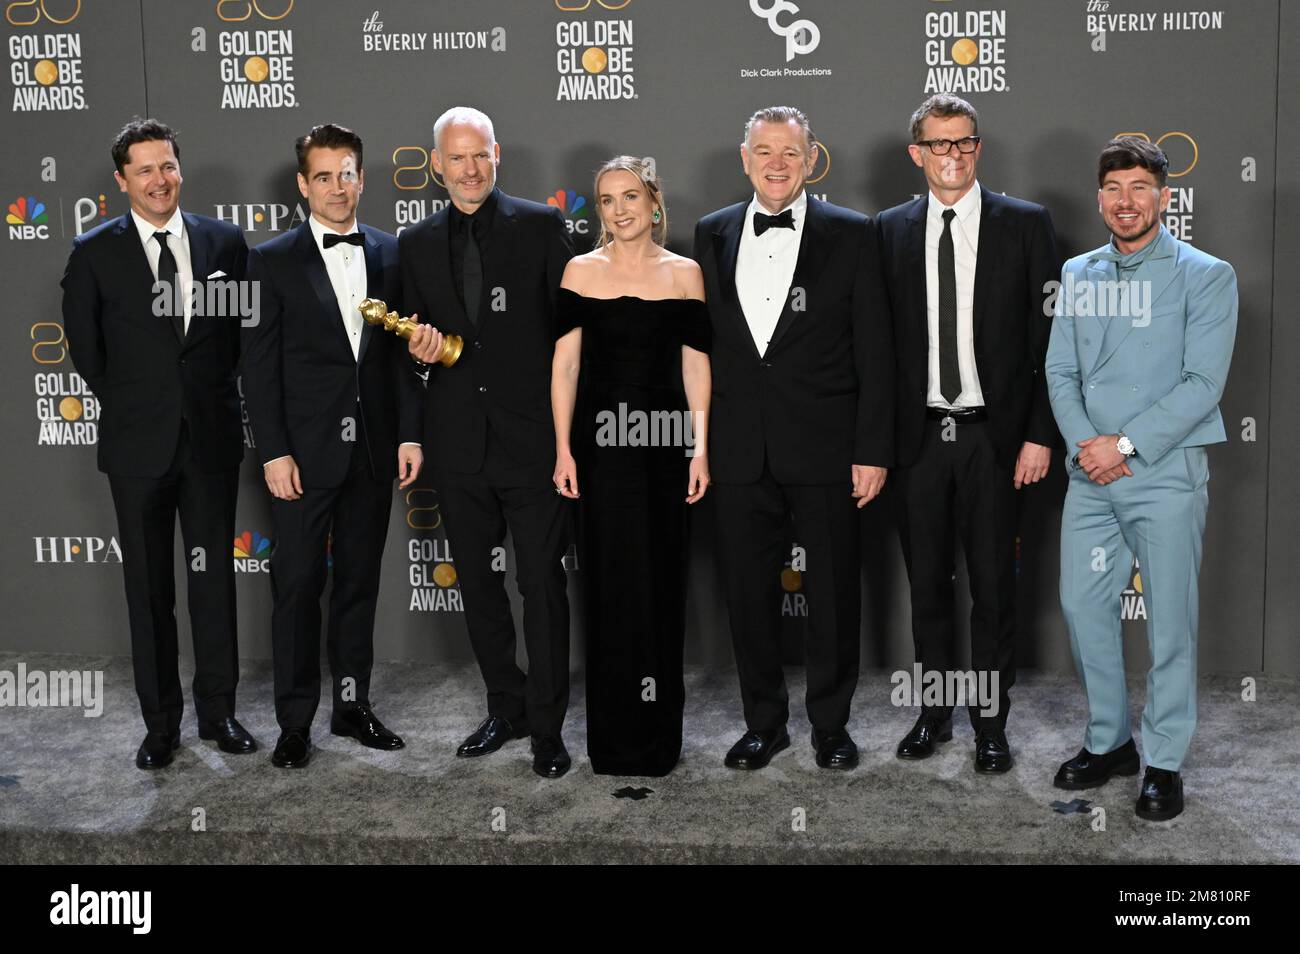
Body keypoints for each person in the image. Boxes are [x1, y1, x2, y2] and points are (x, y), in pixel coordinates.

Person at [693, 106, 893, 771]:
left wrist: (871, 450)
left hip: (828, 447)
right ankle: (764, 723)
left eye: (790, 152)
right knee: (748, 594)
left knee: (833, 593)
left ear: (811, 160)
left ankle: (830, 727)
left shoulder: (855, 234)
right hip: (740, 448)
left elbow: (877, 351)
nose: (776, 163)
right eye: (764, 151)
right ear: (744, 158)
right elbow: (707, 347)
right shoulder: (711, 232)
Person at [1045, 136, 1237, 821]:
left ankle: (1163, 760)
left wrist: (1124, 445)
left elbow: (1202, 384)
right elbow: (1060, 373)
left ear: (1163, 197)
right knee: (1083, 606)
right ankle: (1109, 741)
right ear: (1100, 198)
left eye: (1139, 189)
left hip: (1163, 472)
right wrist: (1089, 447)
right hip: (1089, 472)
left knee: (1170, 623)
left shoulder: (1206, 274)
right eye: (1114, 190)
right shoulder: (1078, 272)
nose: (1126, 202)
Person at [876, 94, 1062, 773]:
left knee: (992, 589)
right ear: (916, 152)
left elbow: (1052, 342)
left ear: (976, 148)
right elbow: (877, 349)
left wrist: (1040, 434)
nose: (950, 156)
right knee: (927, 588)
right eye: (937, 144)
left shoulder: (1025, 224)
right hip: (918, 440)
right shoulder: (889, 230)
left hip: (995, 439)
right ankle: (933, 714)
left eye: (962, 143)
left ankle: (990, 722)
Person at [62, 118, 254, 768]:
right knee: (148, 592)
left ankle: (219, 714)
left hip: (210, 441)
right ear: (122, 181)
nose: (159, 179)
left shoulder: (225, 242)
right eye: (143, 169)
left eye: (167, 165)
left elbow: (238, 338)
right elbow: (88, 354)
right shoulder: (93, 253)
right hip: (137, 449)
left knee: (212, 585)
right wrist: (145, 402)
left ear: (180, 168)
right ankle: (161, 726)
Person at [242, 123, 422, 769]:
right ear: (302, 184)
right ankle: (295, 723)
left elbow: (398, 360)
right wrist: (273, 451)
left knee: (358, 586)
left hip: (372, 453)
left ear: (362, 177)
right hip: (301, 456)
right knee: (295, 588)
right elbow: (258, 368)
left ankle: (351, 706)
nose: (337, 187)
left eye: (347, 173)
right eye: (324, 176)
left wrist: (407, 433)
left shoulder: (389, 251)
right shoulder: (270, 259)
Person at [404, 107, 577, 778]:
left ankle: (548, 726)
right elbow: (411, 360)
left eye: (481, 155)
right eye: (458, 158)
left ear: (496, 155)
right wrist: (421, 356)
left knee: (542, 584)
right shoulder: (414, 244)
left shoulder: (538, 225)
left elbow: (570, 334)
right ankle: (506, 707)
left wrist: (567, 437)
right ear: (438, 164)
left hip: (533, 442)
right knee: (478, 586)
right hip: (457, 446)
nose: (470, 169)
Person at [551, 156, 712, 777]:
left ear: (653, 202)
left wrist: (701, 446)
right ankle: (613, 742)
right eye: (606, 200)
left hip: (666, 449)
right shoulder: (578, 271)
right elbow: (565, 367)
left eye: (630, 197)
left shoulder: (686, 274)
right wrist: (563, 448)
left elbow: (696, 366)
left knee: (660, 585)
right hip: (598, 451)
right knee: (608, 588)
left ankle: (656, 741)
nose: (619, 210)